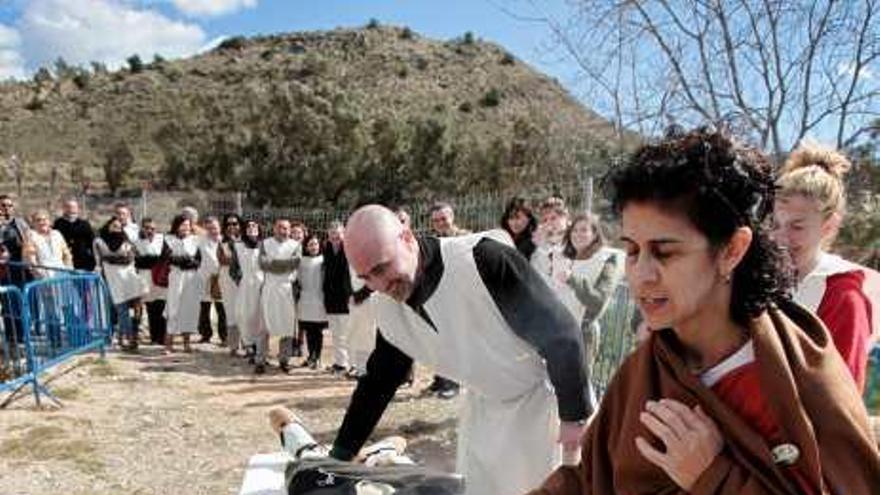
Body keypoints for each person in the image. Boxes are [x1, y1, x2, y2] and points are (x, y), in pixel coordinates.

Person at [527, 128, 880, 495]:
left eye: (665, 252)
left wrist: (714, 477)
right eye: (632, 250)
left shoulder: (800, 381)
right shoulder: (646, 370)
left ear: (731, 250)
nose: (641, 275)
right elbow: (591, 481)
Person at [333, 204, 592, 495]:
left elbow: (561, 334)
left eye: (382, 267)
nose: (380, 284)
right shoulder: (388, 308)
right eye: (366, 277)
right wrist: (339, 457)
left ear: (406, 238)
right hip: (483, 412)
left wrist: (574, 417)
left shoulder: (481, 260)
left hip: (542, 407)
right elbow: (378, 383)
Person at [773, 141, 880, 394]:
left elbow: (843, 398)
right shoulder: (766, 282)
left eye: (797, 227)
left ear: (829, 225)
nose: (781, 238)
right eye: (776, 224)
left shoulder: (843, 294)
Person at [552, 213, 624, 404]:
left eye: (584, 230)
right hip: (558, 332)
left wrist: (572, 279)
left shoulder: (607, 260)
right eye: (574, 230)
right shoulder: (567, 257)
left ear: (595, 234)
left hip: (582, 335)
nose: (578, 234)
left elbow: (598, 301)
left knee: (577, 392)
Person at [424, 202, 471, 398]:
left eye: (443, 219)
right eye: (435, 220)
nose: (440, 223)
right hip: (437, 296)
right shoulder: (431, 240)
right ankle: (440, 379)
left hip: (459, 295)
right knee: (437, 340)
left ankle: (453, 384)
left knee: (454, 341)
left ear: (452, 217)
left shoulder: (465, 237)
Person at [94, 216, 146, 350]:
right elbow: (99, 260)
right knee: (119, 309)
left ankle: (132, 337)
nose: (117, 229)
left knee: (135, 309)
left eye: (119, 227)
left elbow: (131, 258)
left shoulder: (126, 240)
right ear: (108, 226)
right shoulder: (99, 241)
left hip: (129, 278)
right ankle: (123, 337)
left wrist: (113, 259)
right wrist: (114, 259)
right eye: (114, 226)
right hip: (111, 279)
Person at [257, 218, 301, 374]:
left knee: (287, 326)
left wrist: (274, 264)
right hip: (269, 288)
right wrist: (284, 264)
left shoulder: (295, 245)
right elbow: (262, 264)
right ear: (274, 228)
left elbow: (295, 263)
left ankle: (284, 360)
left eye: (286, 228)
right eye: (280, 227)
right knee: (264, 326)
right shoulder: (265, 243)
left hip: (286, 289)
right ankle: (260, 360)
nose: (284, 231)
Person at [162, 214, 201, 354]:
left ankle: (186, 343)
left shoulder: (195, 240)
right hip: (176, 277)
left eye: (188, 225)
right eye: (183, 224)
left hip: (192, 278)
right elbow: (168, 258)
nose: (186, 227)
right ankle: (168, 343)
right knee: (173, 308)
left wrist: (186, 261)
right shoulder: (168, 239)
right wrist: (185, 260)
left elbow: (198, 261)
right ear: (176, 226)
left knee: (188, 309)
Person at [322, 221, 354, 375]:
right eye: (332, 234)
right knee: (335, 334)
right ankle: (340, 363)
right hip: (330, 297)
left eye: (338, 234)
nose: (335, 237)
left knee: (348, 333)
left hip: (346, 298)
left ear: (344, 234)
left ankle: (353, 364)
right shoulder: (326, 249)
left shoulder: (350, 249)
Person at [133, 218, 166, 345]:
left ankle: (162, 337)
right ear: (142, 228)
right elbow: (138, 261)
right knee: (151, 308)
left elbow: (162, 259)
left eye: (152, 228)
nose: (150, 231)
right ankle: (154, 337)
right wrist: (151, 260)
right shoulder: (137, 242)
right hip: (145, 277)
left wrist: (149, 260)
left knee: (161, 306)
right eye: (147, 228)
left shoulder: (162, 239)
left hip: (159, 277)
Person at [297, 234, 328, 369]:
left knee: (317, 331)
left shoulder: (324, 260)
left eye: (315, 244)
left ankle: (317, 357)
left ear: (319, 246)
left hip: (319, 298)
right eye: (310, 244)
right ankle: (311, 356)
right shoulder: (301, 261)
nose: (313, 247)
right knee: (309, 330)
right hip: (305, 299)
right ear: (306, 246)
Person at [236, 219, 264, 363]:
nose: (252, 228)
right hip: (246, 285)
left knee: (259, 317)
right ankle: (249, 346)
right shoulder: (238, 247)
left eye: (254, 225)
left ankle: (260, 349)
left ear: (259, 229)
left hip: (261, 285)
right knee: (245, 315)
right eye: (249, 226)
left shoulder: (264, 246)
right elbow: (234, 269)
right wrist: (239, 280)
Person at [197, 216, 227, 345]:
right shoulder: (200, 242)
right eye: (209, 228)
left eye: (214, 228)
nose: (212, 231)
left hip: (221, 278)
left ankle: (224, 336)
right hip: (204, 278)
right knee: (204, 308)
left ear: (219, 227)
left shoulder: (225, 241)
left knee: (222, 309)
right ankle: (205, 334)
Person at [218, 213, 243, 356]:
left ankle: (248, 343)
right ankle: (233, 345)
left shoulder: (246, 241)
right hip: (228, 279)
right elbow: (222, 260)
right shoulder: (222, 242)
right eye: (229, 224)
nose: (232, 227)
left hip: (244, 280)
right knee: (231, 311)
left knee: (245, 311)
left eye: (235, 224)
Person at [24, 209, 72, 277]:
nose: (42, 222)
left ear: (49, 221)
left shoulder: (57, 234)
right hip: (44, 273)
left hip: (62, 271)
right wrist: (39, 273)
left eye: (45, 219)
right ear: (33, 223)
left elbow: (67, 254)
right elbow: (30, 259)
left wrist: (69, 269)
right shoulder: (31, 236)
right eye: (38, 220)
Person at [53, 198, 95, 271]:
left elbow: (92, 243)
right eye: (68, 207)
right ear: (64, 208)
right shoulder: (58, 224)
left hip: (84, 261)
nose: (71, 210)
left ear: (78, 209)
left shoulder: (84, 224)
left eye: (73, 207)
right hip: (64, 261)